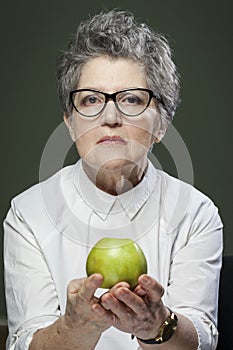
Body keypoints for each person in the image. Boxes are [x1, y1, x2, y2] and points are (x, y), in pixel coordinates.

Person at [4, 10, 223, 350]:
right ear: (70, 122)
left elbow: (202, 339)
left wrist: (156, 326)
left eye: (131, 99)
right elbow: (24, 341)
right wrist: (76, 327)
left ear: (162, 125)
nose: (110, 117)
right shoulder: (28, 213)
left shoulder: (197, 213)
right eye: (91, 100)